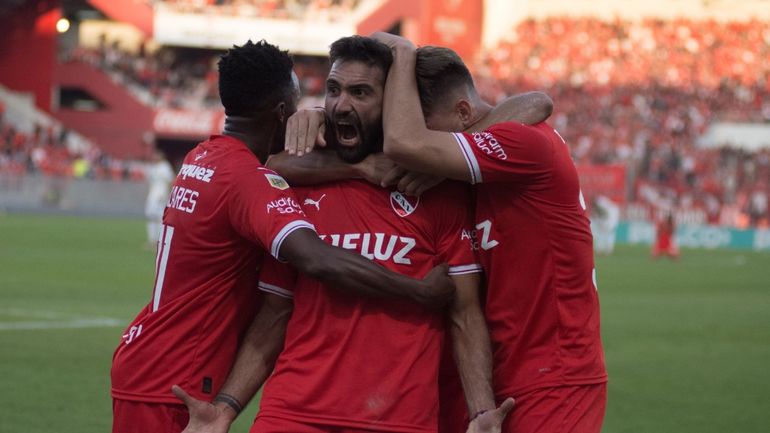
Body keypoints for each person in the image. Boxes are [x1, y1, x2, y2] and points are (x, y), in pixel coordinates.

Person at [177, 35, 528, 433]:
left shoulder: (436, 190)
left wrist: (481, 413)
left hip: (399, 420)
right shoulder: (296, 188)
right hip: (292, 415)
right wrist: (225, 407)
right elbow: (276, 312)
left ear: (395, 104)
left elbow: (464, 313)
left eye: (361, 92)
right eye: (333, 90)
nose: (342, 105)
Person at [110, 40, 455, 433]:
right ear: (280, 112)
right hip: (176, 377)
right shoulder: (250, 180)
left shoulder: (202, 156)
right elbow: (314, 258)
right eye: (296, 104)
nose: (302, 115)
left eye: (358, 92)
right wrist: (419, 292)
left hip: (150, 359)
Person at [366, 33, 607, 433]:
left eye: (432, 135)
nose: (427, 151)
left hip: (557, 375)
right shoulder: (469, 169)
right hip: (501, 373)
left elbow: (403, 142)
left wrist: (403, 54)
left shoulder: (522, 142)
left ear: (463, 112)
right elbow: (535, 101)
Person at [143, 149, 174, 249]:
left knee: (160, 218)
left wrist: (169, 194)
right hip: (152, 195)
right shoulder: (153, 168)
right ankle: (152, 240)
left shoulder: (165, 167)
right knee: (150, 216)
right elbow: (150, 183)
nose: (155, 157)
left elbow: (170, 181)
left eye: (157, 155)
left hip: (161, 195)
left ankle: (160, 241)